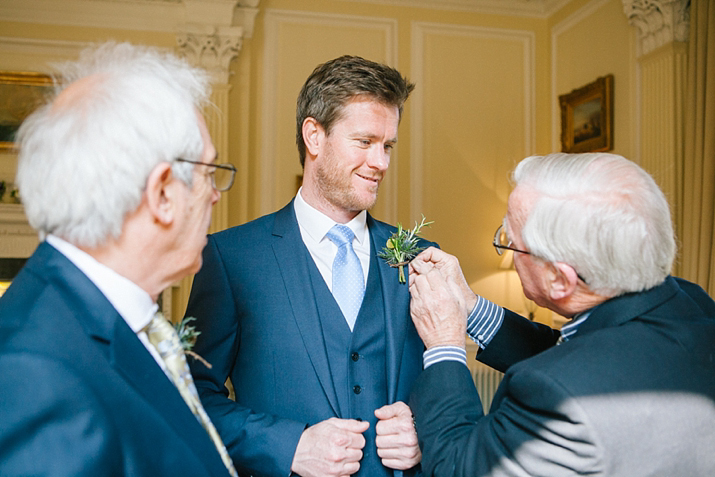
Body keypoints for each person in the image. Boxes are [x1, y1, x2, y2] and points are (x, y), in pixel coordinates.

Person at [0, 42, 239, 476]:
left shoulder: (102, 318)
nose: (216, 195)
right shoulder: (36, 376)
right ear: (162, 192)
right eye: (208, 173)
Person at [185, 55, 430, 477]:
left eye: (387, 146)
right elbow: (190, 395)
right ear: (314, 136)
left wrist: (427, 431)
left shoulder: (420, 258)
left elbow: (445, 385)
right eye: (365, 142)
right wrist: (288, 446)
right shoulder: (231, 258)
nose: (382, 162)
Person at [408, 152, 715, 477]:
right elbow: (585, 355)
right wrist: (470, 307)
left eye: (510, 242)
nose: (508, 250)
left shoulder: (560, 402)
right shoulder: (690, 301)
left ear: (560, 280)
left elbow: (456, 466)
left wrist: (445, 343)